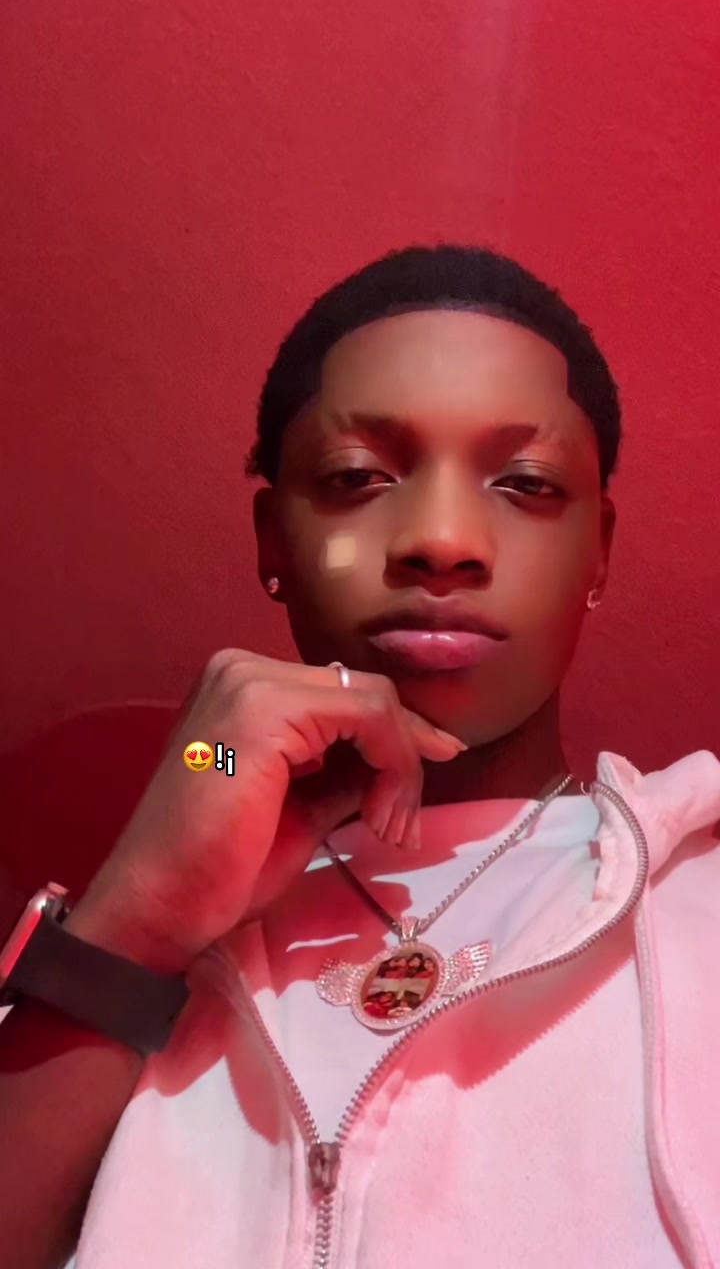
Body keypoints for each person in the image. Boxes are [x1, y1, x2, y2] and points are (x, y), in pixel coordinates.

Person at [1, 243, 719, 1269]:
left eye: (525, 482)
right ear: (272, 539)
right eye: (356, 477)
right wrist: (141, 912)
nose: (441, 539)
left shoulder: (698, 900)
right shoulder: (173, 908)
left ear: (597, 549)